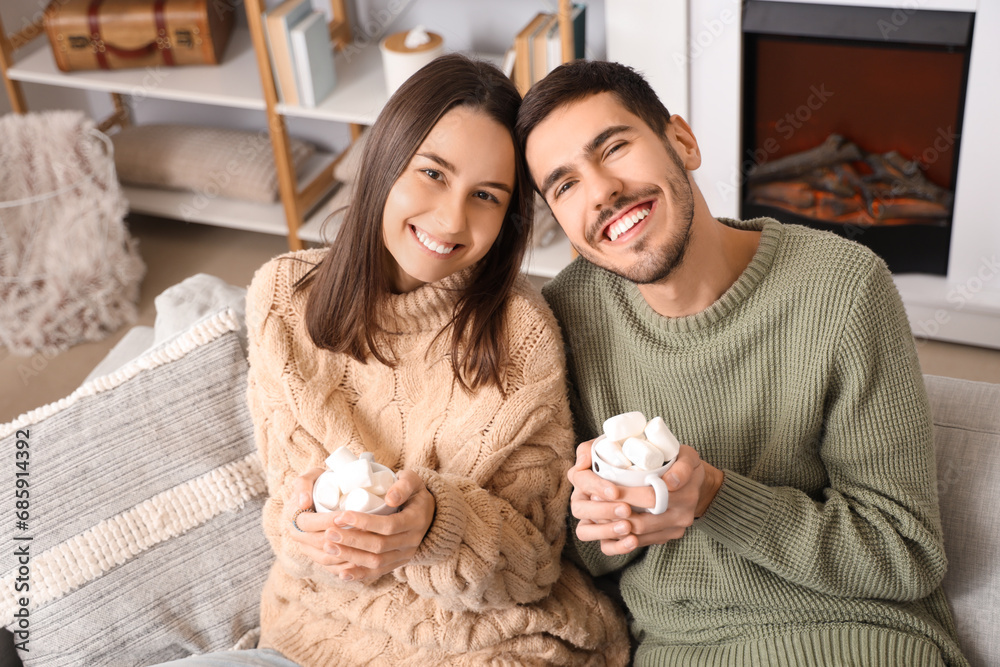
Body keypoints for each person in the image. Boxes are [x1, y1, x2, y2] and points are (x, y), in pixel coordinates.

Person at [154, 55, 629, 667]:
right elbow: (284, 519)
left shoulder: (521, 335)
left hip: (486, 642)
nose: (451, 219)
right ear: (385, 160)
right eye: (432, 173)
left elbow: (534, 564)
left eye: (485, 196)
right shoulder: (281, 300)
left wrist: (435, 524)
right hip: (310, 634)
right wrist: (305, 529)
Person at [515, 59, 969, 666]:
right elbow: (579, 561)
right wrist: (605, 519)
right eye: (565, 185)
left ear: (682, 141)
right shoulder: (564, 317)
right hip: (683, 649)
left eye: (615, 147)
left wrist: (713, 496)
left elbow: (905, 553)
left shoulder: (843, 290)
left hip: (857, 637)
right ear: (565, 225)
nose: (601, 191)